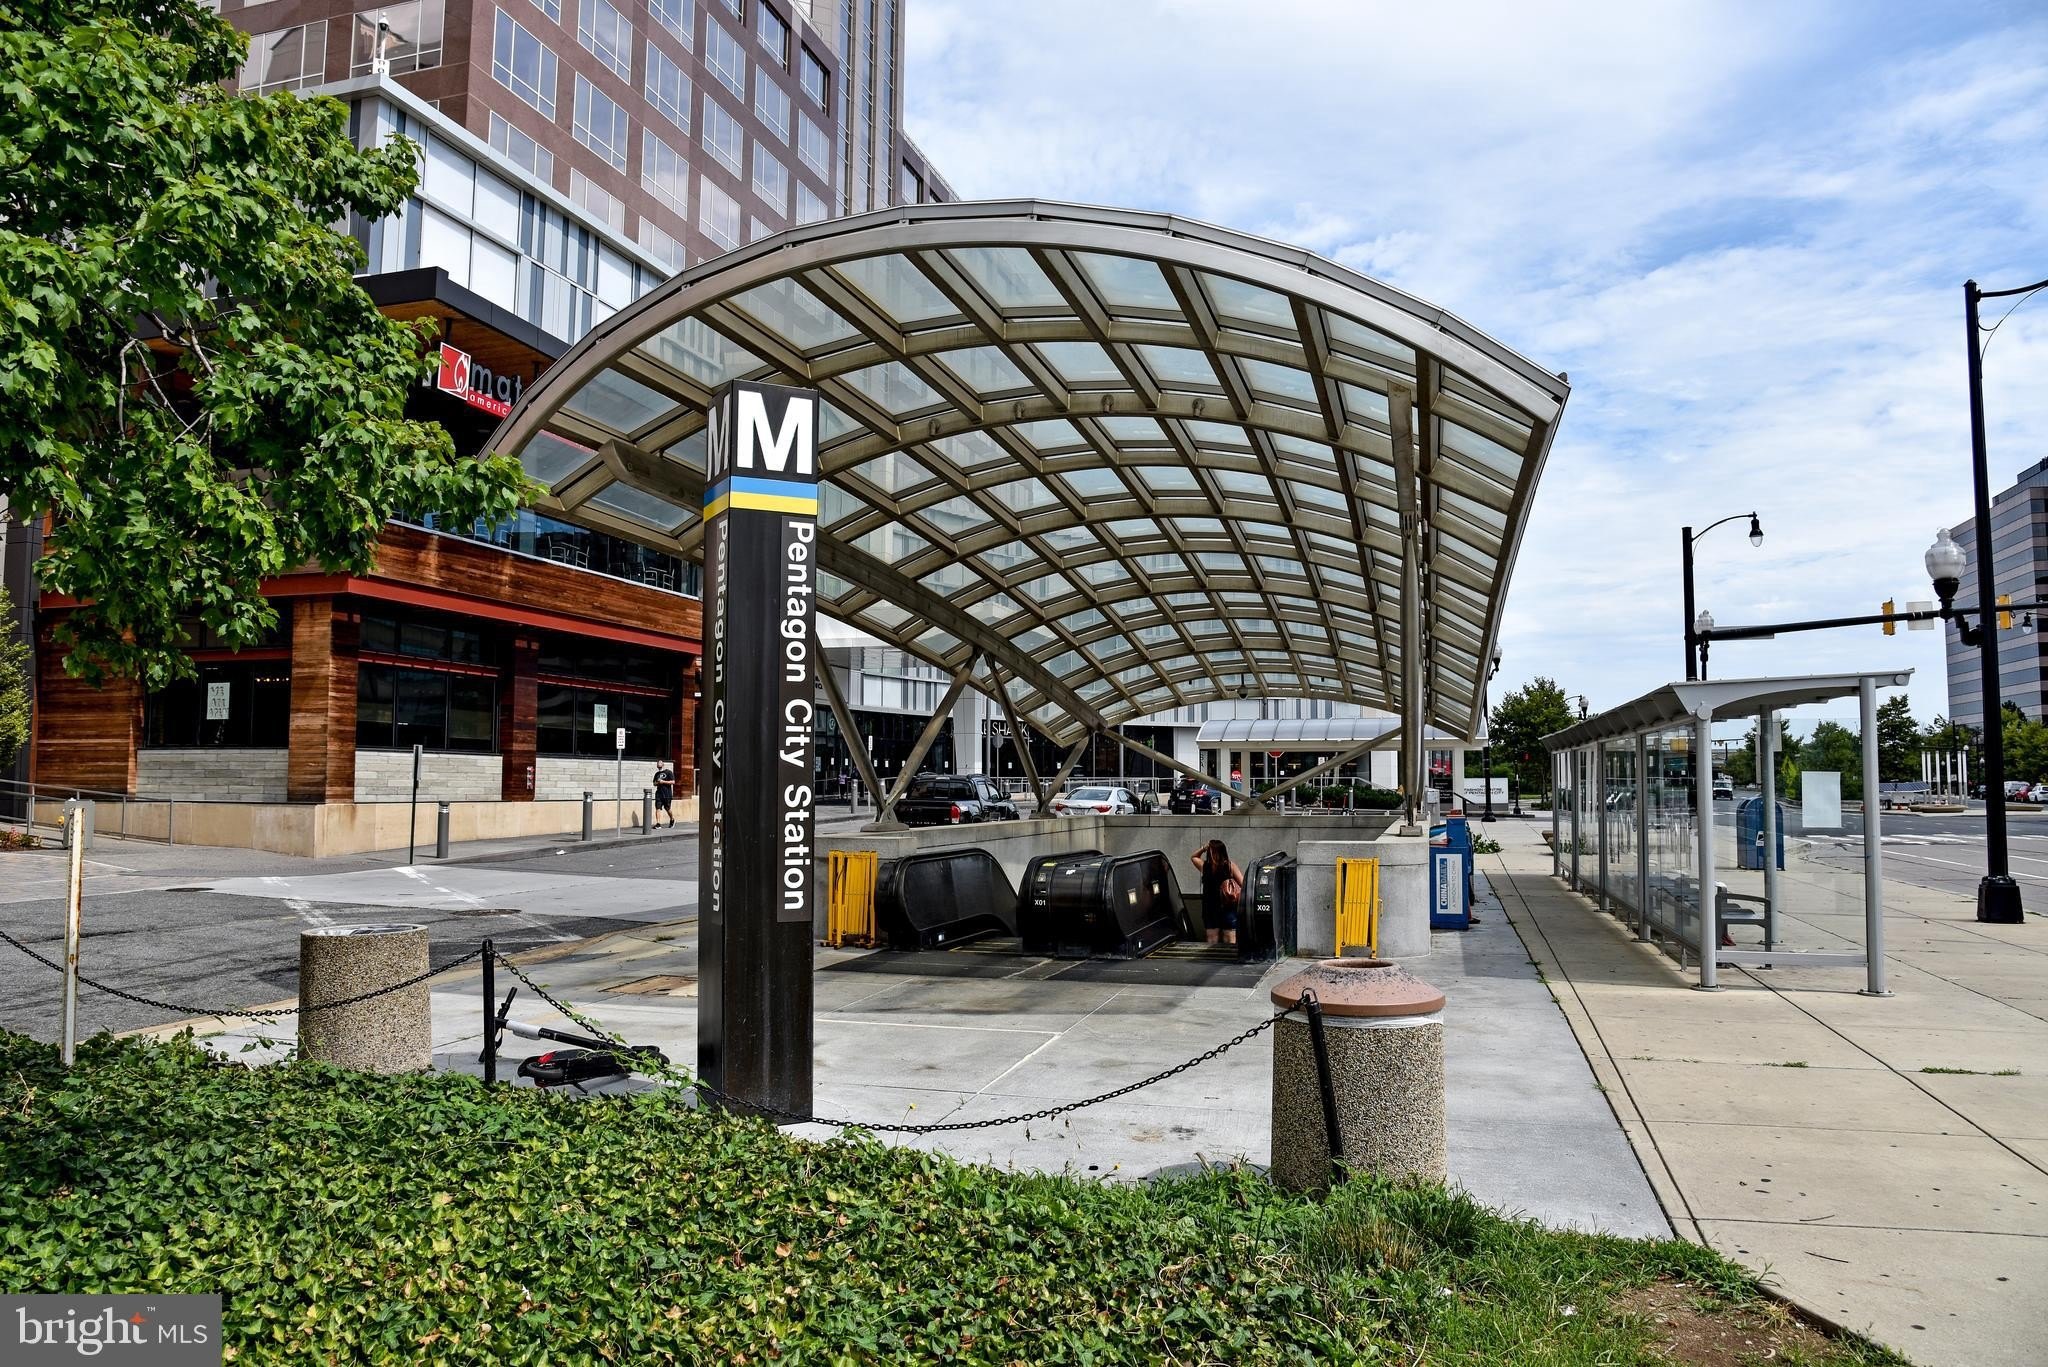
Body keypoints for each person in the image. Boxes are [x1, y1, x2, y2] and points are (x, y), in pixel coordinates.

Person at [1190, 838, 1244, 947]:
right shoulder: (1208, 866)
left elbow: (1243, 883)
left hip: (1223, 906)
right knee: (1216, 938)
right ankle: (1218, 956)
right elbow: (1193, 857)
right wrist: (1204, 848)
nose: (1212, 854)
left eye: (1212, 851)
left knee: (1225, 937)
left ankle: (1226, 955)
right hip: (1216, 906)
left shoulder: (1227, 866)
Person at [653, 758, 677, 828]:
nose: (658, 764)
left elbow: (673, 782)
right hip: (659, 794)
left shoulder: (668, 772)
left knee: (667, 808)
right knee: (658, 808)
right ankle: (658, 824)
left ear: (663, 764)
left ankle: (672, 819)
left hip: (667, 794)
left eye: (660, 762)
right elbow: (654, 783)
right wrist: (658, 782)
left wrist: (663, 782)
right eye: (657, 763)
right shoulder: (657, 774)